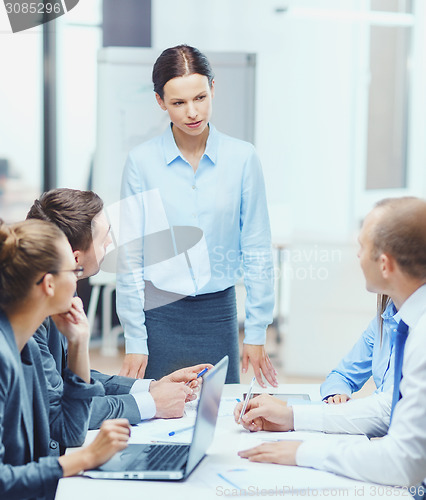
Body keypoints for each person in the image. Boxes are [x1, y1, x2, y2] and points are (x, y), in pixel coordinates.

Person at [235, 197, 426, 491]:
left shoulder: (421, 335)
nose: (358, 257)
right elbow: (387, 407)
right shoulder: (405, 319)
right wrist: (291, 416)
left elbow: (402, 463)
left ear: (385, 264)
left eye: (362, 248)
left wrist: (303, 451)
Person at [116, 44, 277, 387]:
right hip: (158, 316)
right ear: (160, 101)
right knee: (158, 424)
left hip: (218, 315)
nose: (192, 112)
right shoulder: (141, 163)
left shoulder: (243, 159)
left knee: (219, 422)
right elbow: (130, 258)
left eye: (200, 97)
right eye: (178, 102)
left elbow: (257, 247)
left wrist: (257, 328)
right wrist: (134, 338)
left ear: (213, 89)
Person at [27, 188, 211, 436]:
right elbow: (60, 412)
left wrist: (151, 388)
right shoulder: (27, 320)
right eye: (104, 237)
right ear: (75, 259)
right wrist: (152, 404)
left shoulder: (58, 287)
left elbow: (71, 380)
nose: (109, 242)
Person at [0, 218, 131, 499]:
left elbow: (68, 431)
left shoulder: (27, 350)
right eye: (73, 270)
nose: (77, 278)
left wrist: (78, 343)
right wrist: (84, 459)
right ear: (49, 284)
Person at [321, 294, 397, 404]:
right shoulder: (385, 317)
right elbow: (343, 375)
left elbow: (387, 405)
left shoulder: (419, 326)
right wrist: (336, 395)